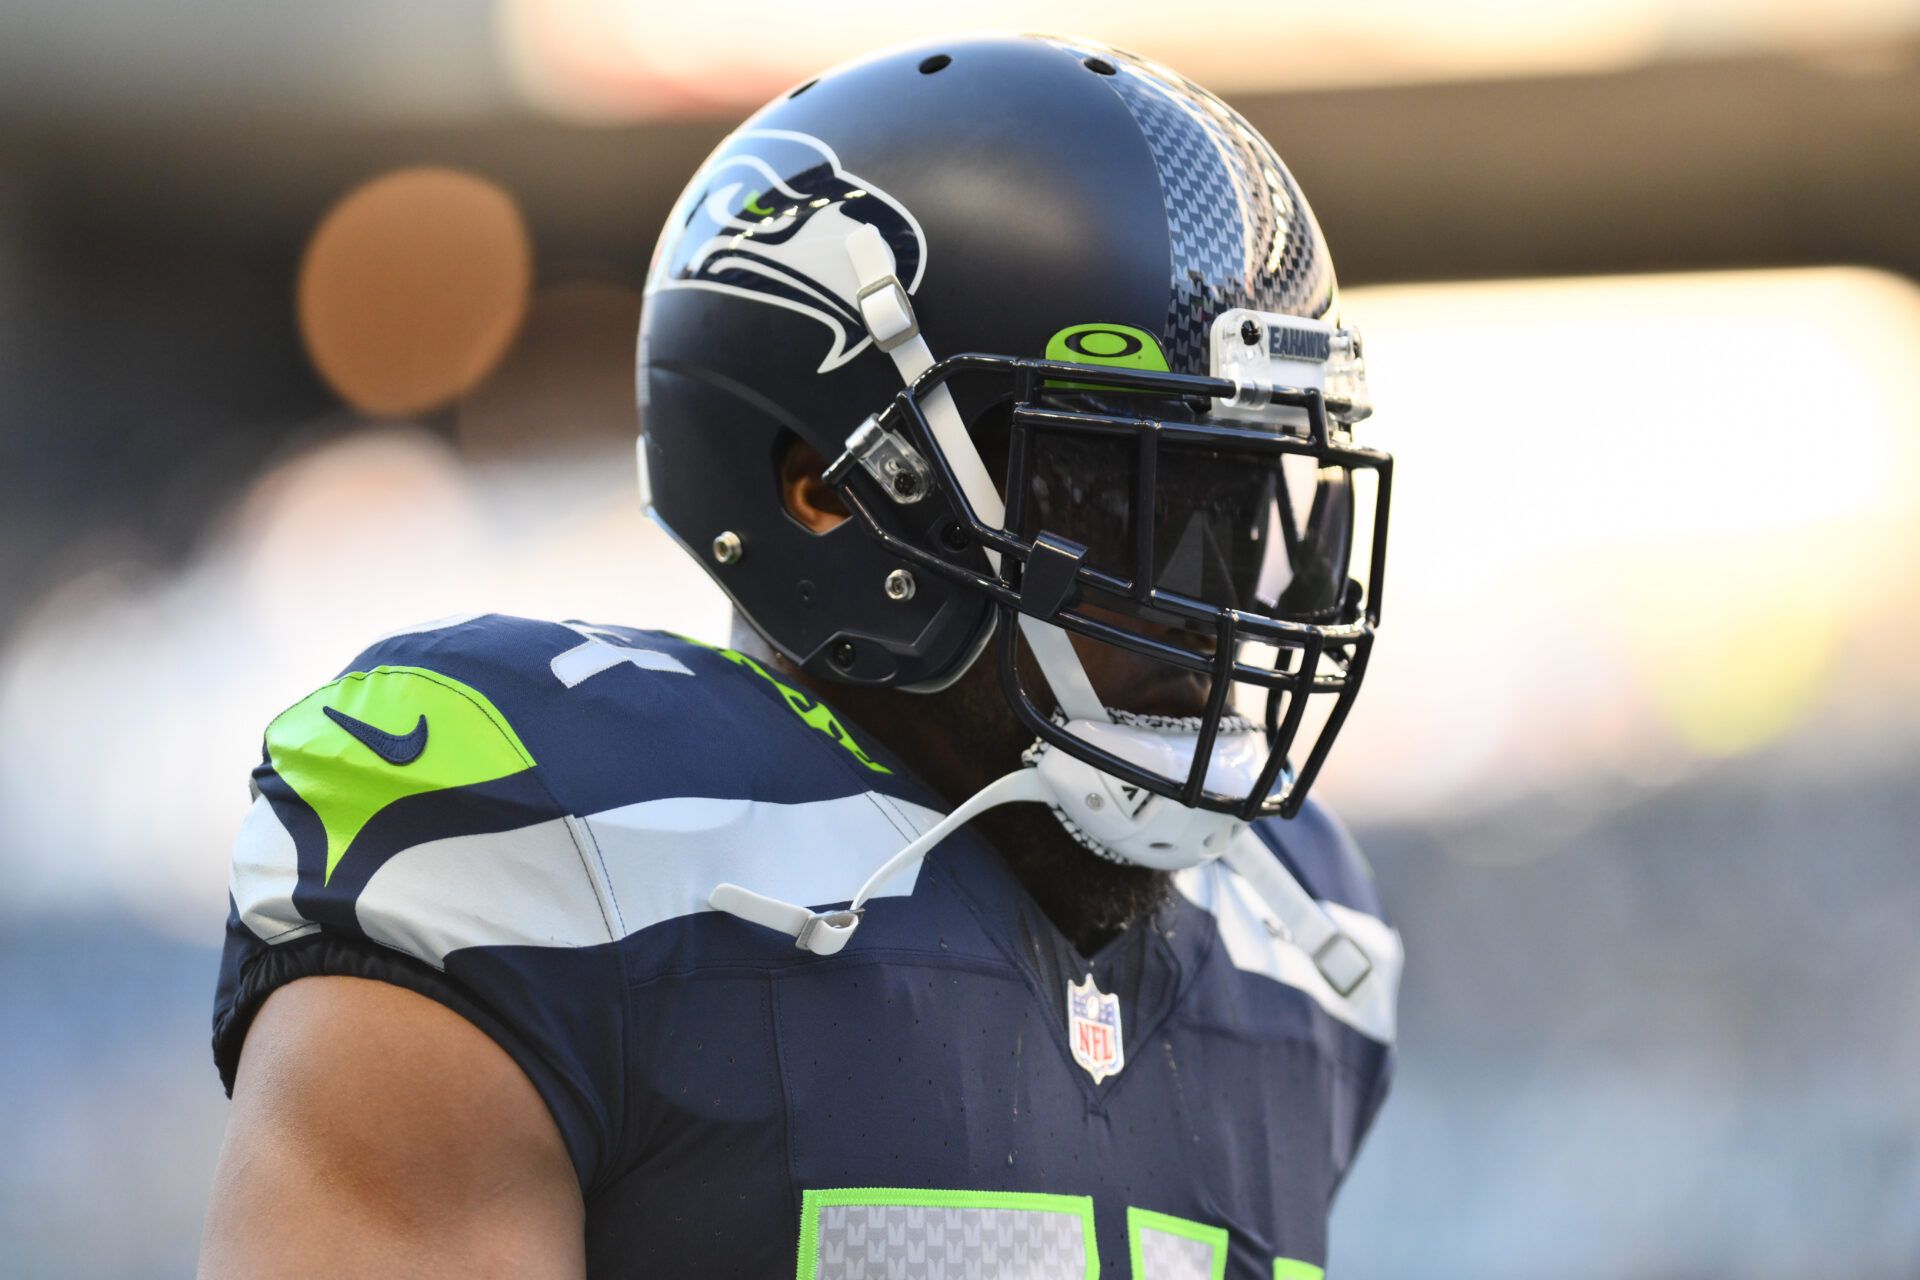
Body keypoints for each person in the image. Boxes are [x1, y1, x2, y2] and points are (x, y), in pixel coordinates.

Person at [200, 33, 1402, 1279]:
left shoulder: (1296, 931)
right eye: (1121, 496)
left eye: (1240, 505)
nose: (1204, 607)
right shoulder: (547, 841)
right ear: (825, 488)